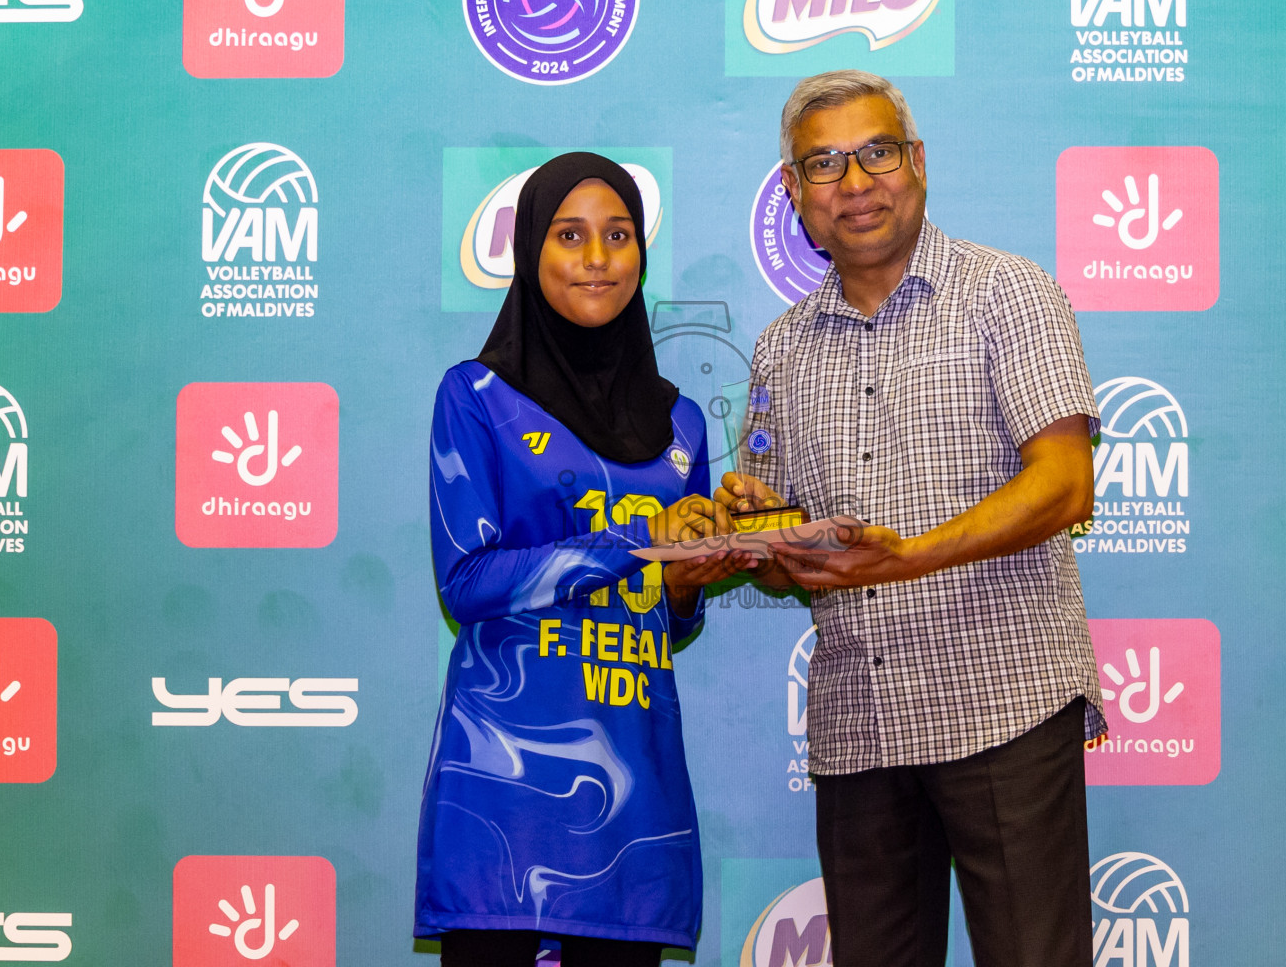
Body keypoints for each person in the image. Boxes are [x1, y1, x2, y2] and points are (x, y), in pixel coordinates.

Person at [716, 71, 1106, 967]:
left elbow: (1065, 487)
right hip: (858, 722)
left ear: (917, 164)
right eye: (824, 164)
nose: (854, 182)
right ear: (794, 195)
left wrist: (907, 558)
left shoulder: (1008, 293)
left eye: (876, 152)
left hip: (1001, 702)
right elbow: (790, 552)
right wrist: (757, 535)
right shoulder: (779, 347)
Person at [418, 152, 745, 967]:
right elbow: (466, 582)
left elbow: (670, 618)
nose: (598, 257)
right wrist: (636, 544)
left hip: (634, 803)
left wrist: (683, 577)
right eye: (570, 234)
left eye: (619, 235)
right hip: (507, 802)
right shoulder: (476, 395)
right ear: (532, 250)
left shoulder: (682, 425)